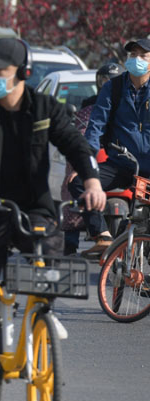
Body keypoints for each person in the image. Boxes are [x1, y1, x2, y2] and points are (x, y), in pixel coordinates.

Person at [0, 38, 105, 401]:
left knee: (49, 246)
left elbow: (75, 144)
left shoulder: (44, 107)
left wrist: (93, 181)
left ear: (22, 73)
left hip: (32, 207)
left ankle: (45, 310)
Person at [69, 39, 150, 257]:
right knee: (79, 183)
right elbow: (95, 128)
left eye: (143, 55)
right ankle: (103, 235)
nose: (137, 60)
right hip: (122, 164)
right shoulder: (113, 88)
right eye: (133, 55)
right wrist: (85, 165)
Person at [62, 62, 122, 255]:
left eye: (111, 80)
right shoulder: (91, 104)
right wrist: (82, 164)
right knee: (74, 183)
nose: (107, 84)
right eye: (103, 80)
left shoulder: (128, 100)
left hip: (132, 160)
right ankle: (75, 240)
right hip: (104, 158)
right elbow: (90, 131)